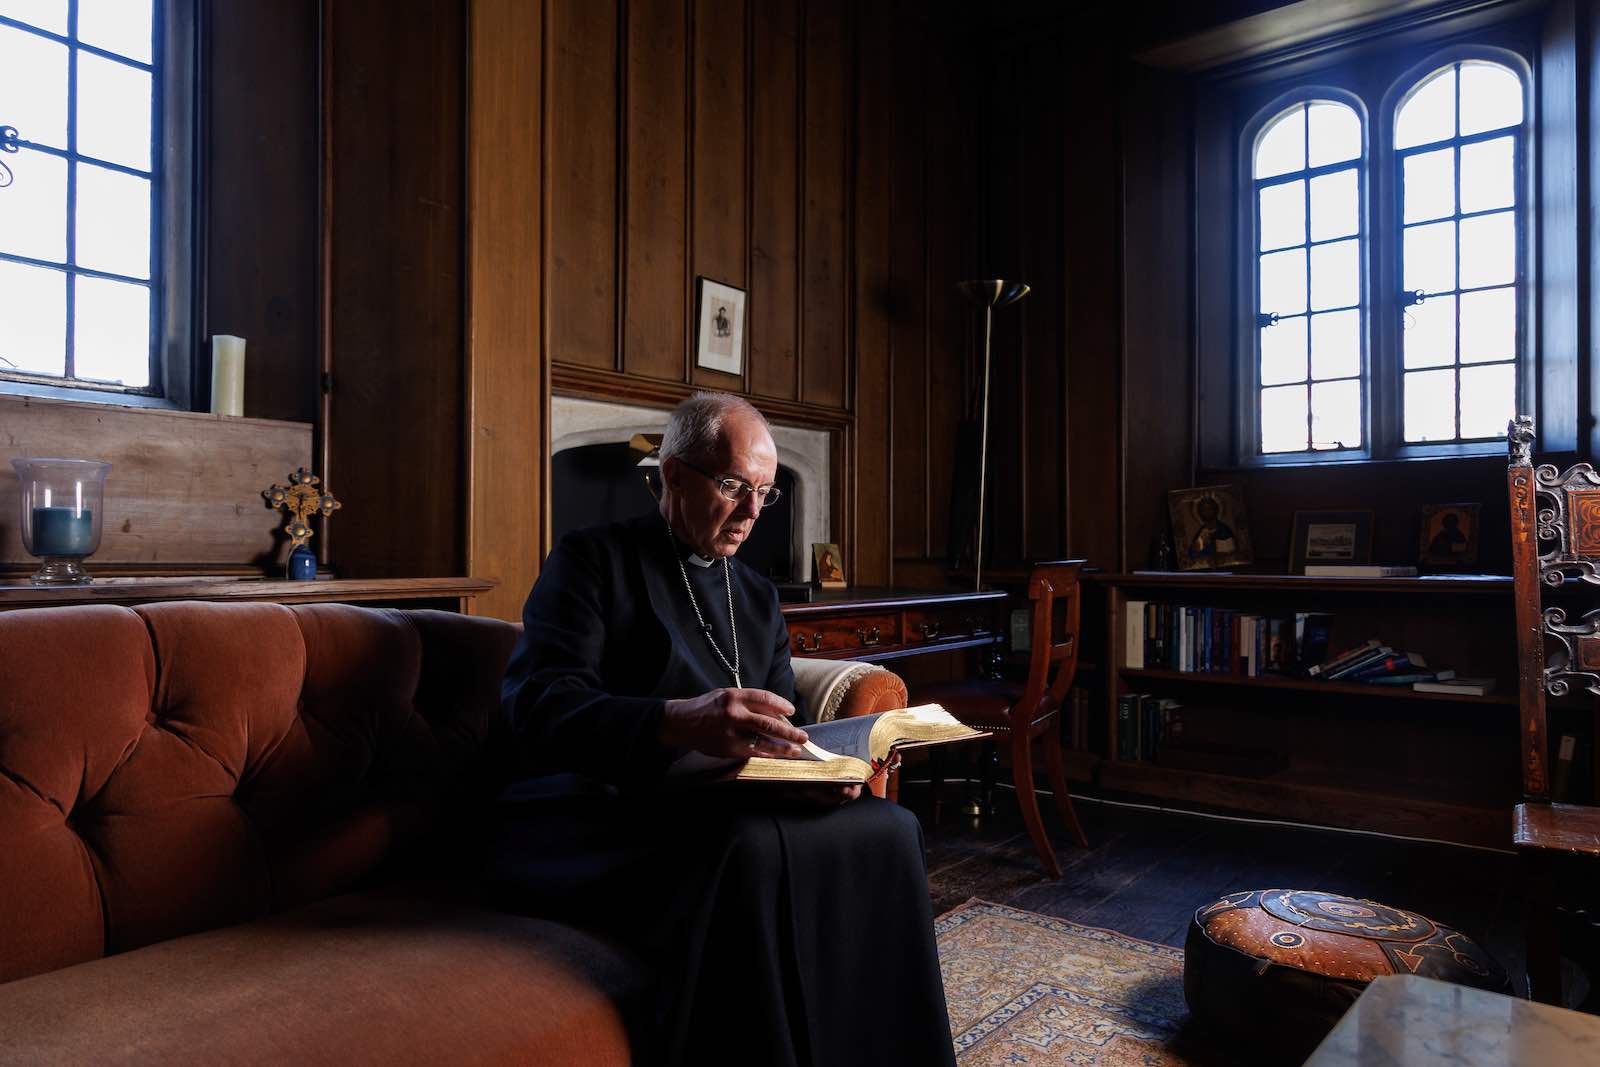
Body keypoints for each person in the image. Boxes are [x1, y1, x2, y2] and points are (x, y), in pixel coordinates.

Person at [494, 391, 956, 1067]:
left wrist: (814, 773)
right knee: (751, 849)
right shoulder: (591, 560)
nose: (751, 512)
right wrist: (677, 722)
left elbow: (780, 726)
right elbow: (536, 705)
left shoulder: (757, 596)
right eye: (735, 484)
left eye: (764, 492)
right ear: (673, 474)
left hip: (722, 802)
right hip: (598, 807)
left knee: (890, 830)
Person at [1190, 495, 1236, 561]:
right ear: (1200, 512)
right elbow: (1192, 553)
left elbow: (1232, 550)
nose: (1207, 512)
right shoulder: (1201, 532)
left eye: (1209, 509)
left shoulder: (1224, 530)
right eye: (1203, 510)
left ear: (1215, 510)